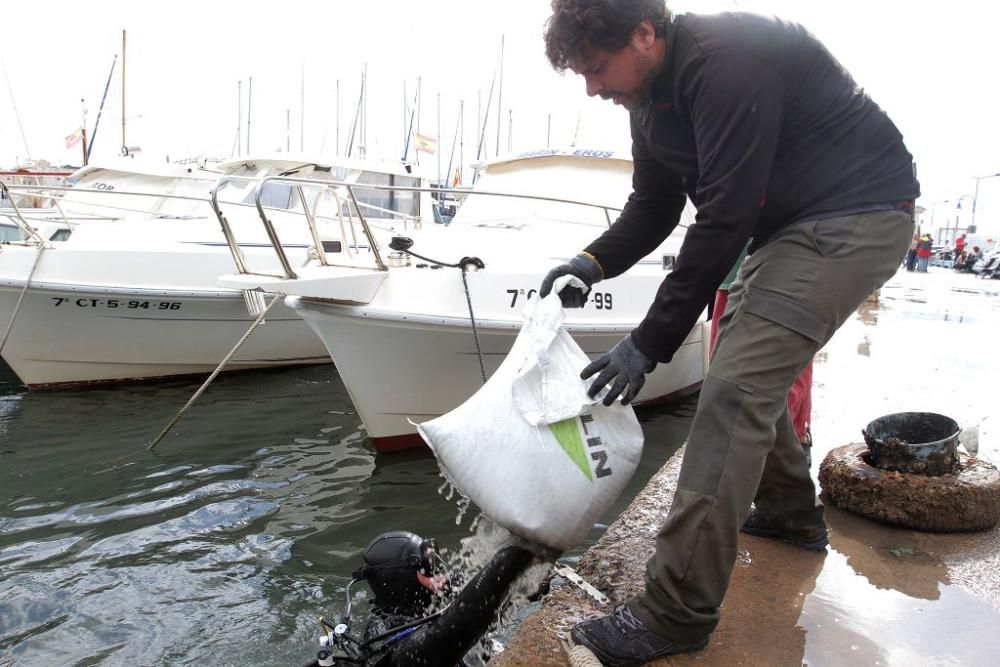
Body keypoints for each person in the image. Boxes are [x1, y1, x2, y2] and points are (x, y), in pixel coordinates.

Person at [538, 2, 919, 664]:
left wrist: (649, 342)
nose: (592, 86)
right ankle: (790, 516)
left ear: (644, 35)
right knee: (738, 365)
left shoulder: (725, 63)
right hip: (791, 227)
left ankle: (674, 612)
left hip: (860, 212)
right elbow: (654, 204)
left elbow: (724, 216)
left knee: (736, 390)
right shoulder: (647, 98)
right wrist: (592, 260)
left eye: (596, 69)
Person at [307, 531, 534, 667]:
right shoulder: (387, 641)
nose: (438, 570)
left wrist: (530, 581)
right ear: (405, 580)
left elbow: (492, 599)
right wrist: (517, 554)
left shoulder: (436, 600)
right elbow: (459, 626)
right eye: (428, 566)